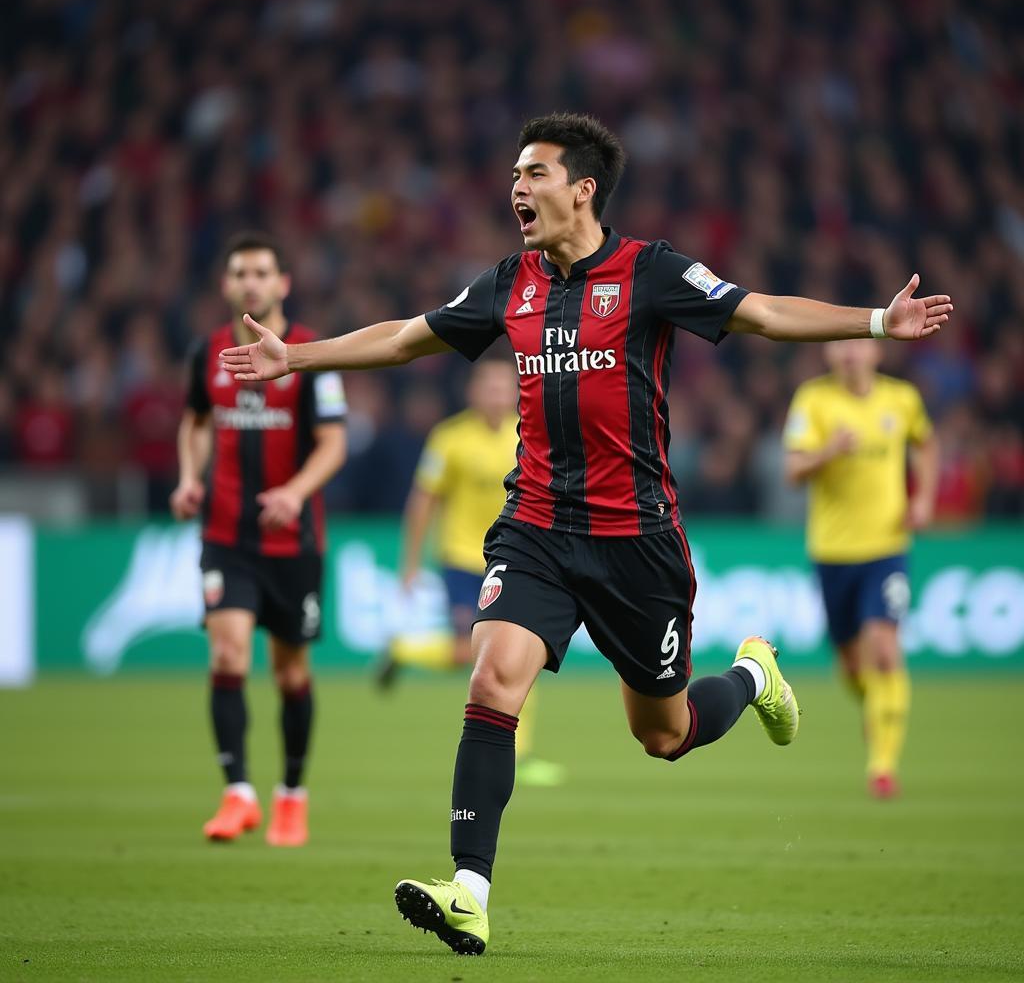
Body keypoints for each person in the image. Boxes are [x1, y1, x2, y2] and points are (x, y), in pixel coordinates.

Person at [219, 113, 952, 953]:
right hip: (535, 526)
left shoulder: (650, 272)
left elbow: (761, 314)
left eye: (534, 174)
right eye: (515, 175)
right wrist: (297, 359)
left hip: (638, 543)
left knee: (664, 735)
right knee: (492, 679)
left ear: (582, 188)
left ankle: (753, 675)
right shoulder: (511, 281)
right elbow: (405, 337)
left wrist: (873, 323)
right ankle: (469, 889)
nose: (517, 189)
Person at [170, 231, 347, 846]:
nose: (250, 282)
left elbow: (334, 442)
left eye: (261, 272)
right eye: (239, 272)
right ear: (226, 285)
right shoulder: (207, 353)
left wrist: (296, 492)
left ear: (282, 284)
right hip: (226, 536)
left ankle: (291, 796)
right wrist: (190, 478)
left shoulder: (309, 353)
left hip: (293, 542)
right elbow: (194, 421)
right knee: (227, 655)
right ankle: (238, 794)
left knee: (291, 672)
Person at [380, 356, 565, 787]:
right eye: (490, 387)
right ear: (473, 391)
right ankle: (405, 650)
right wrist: (410, 563)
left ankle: (521, 753)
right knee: (470, 654)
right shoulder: (449, 440)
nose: (498, 395)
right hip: (464, 561)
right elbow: (423, 501)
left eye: (505, 387)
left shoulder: (530, 434)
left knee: (524, 649)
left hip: (518, 556)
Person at [783, 338, 937, 798]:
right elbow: (792, 471)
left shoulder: (902, 399)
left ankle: (883, 766)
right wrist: (828, 451)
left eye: (860, 345)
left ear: (877, 353)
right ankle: (878, 711)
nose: (851, 353)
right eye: (841, 345)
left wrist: (923, 499)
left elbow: (926, 446)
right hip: (832, 551)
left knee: (884, 649)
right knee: (851, 663)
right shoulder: (814, 400)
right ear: (829, 354)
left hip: (887, 547)